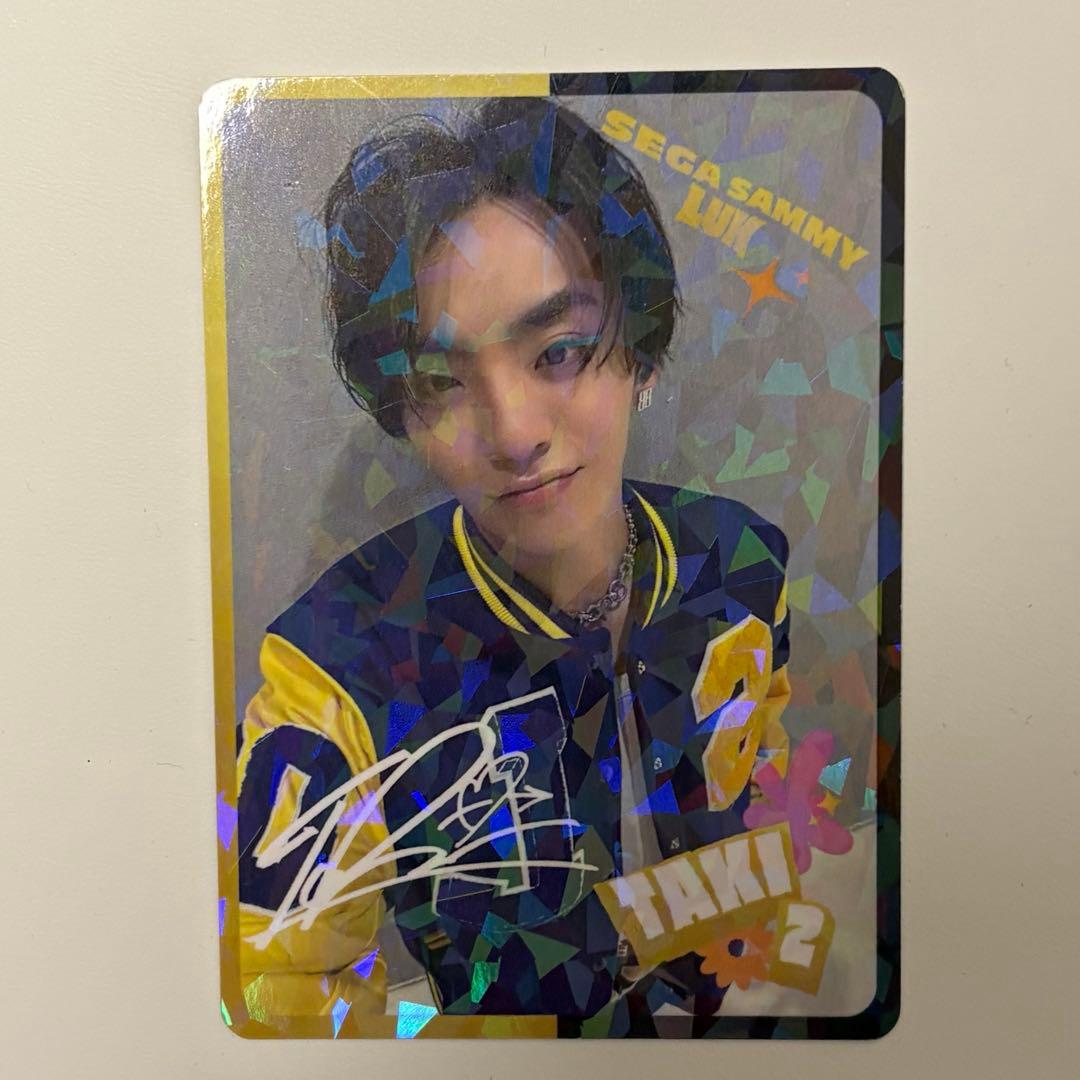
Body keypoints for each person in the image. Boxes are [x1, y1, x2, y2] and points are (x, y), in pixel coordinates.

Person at [234, 95, 793, 1036]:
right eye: (439, 383)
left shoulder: (739, 562)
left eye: (559, 351)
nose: (515, 432)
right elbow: (275, 1003)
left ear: (640, 353)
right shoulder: (339, 671)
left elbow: (768, 810)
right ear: (401, 414)